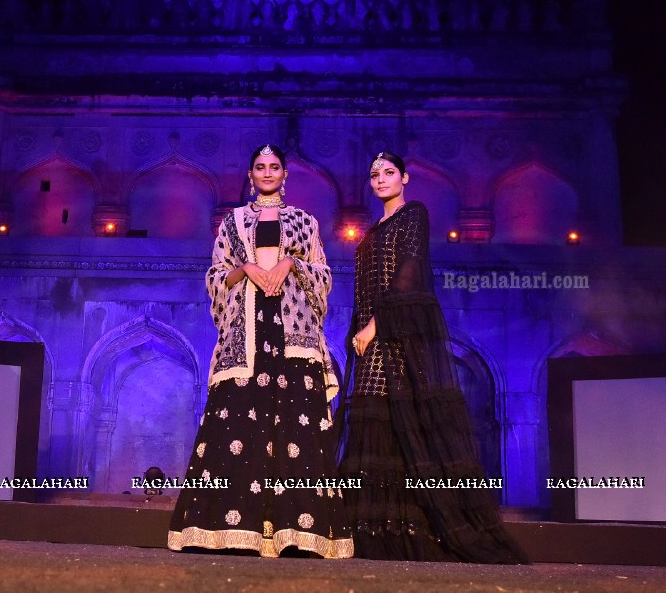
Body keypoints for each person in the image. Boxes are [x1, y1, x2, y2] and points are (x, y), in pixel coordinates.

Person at [338, 151, 527, 563]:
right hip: (371, 340)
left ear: (404, 177)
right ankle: (374, 528)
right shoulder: (372, 230)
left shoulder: (414, 215)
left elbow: (409, 271)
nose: (381, 179)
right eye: (374, 174)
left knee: (404, 424)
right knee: (377, 423)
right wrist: (360, 329)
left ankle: (413, 527)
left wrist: (375, 325)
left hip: (398, 336)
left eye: (389, 172)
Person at [169, 144, 353, 559]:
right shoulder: (233, 222)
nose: (267, 172)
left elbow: (323, 275)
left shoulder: (305, 222)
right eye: (259, 167)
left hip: (293, 334)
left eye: (274, 167)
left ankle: (298, 533)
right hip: (246, 333)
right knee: (237, 424)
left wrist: (290, 265)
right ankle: (226, 531)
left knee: (296, 427)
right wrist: (248, 269)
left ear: (285, 174)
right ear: (250, 175)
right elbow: (216, 275)